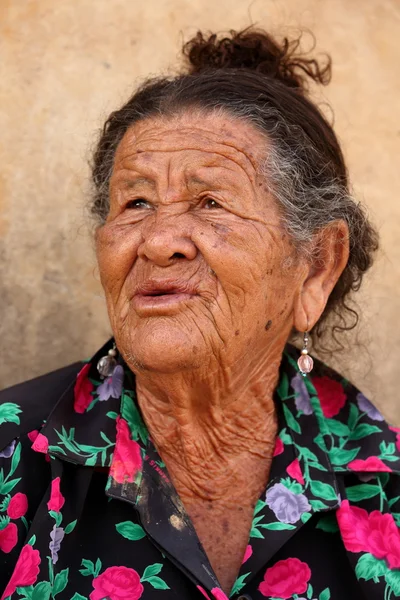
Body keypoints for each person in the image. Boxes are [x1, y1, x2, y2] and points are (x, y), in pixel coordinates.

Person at [0, 27, 398, 600]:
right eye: (135, 202)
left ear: (316, 266)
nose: (159, 241)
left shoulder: (383, 488)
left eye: (210, 202)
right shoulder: (15, 454)